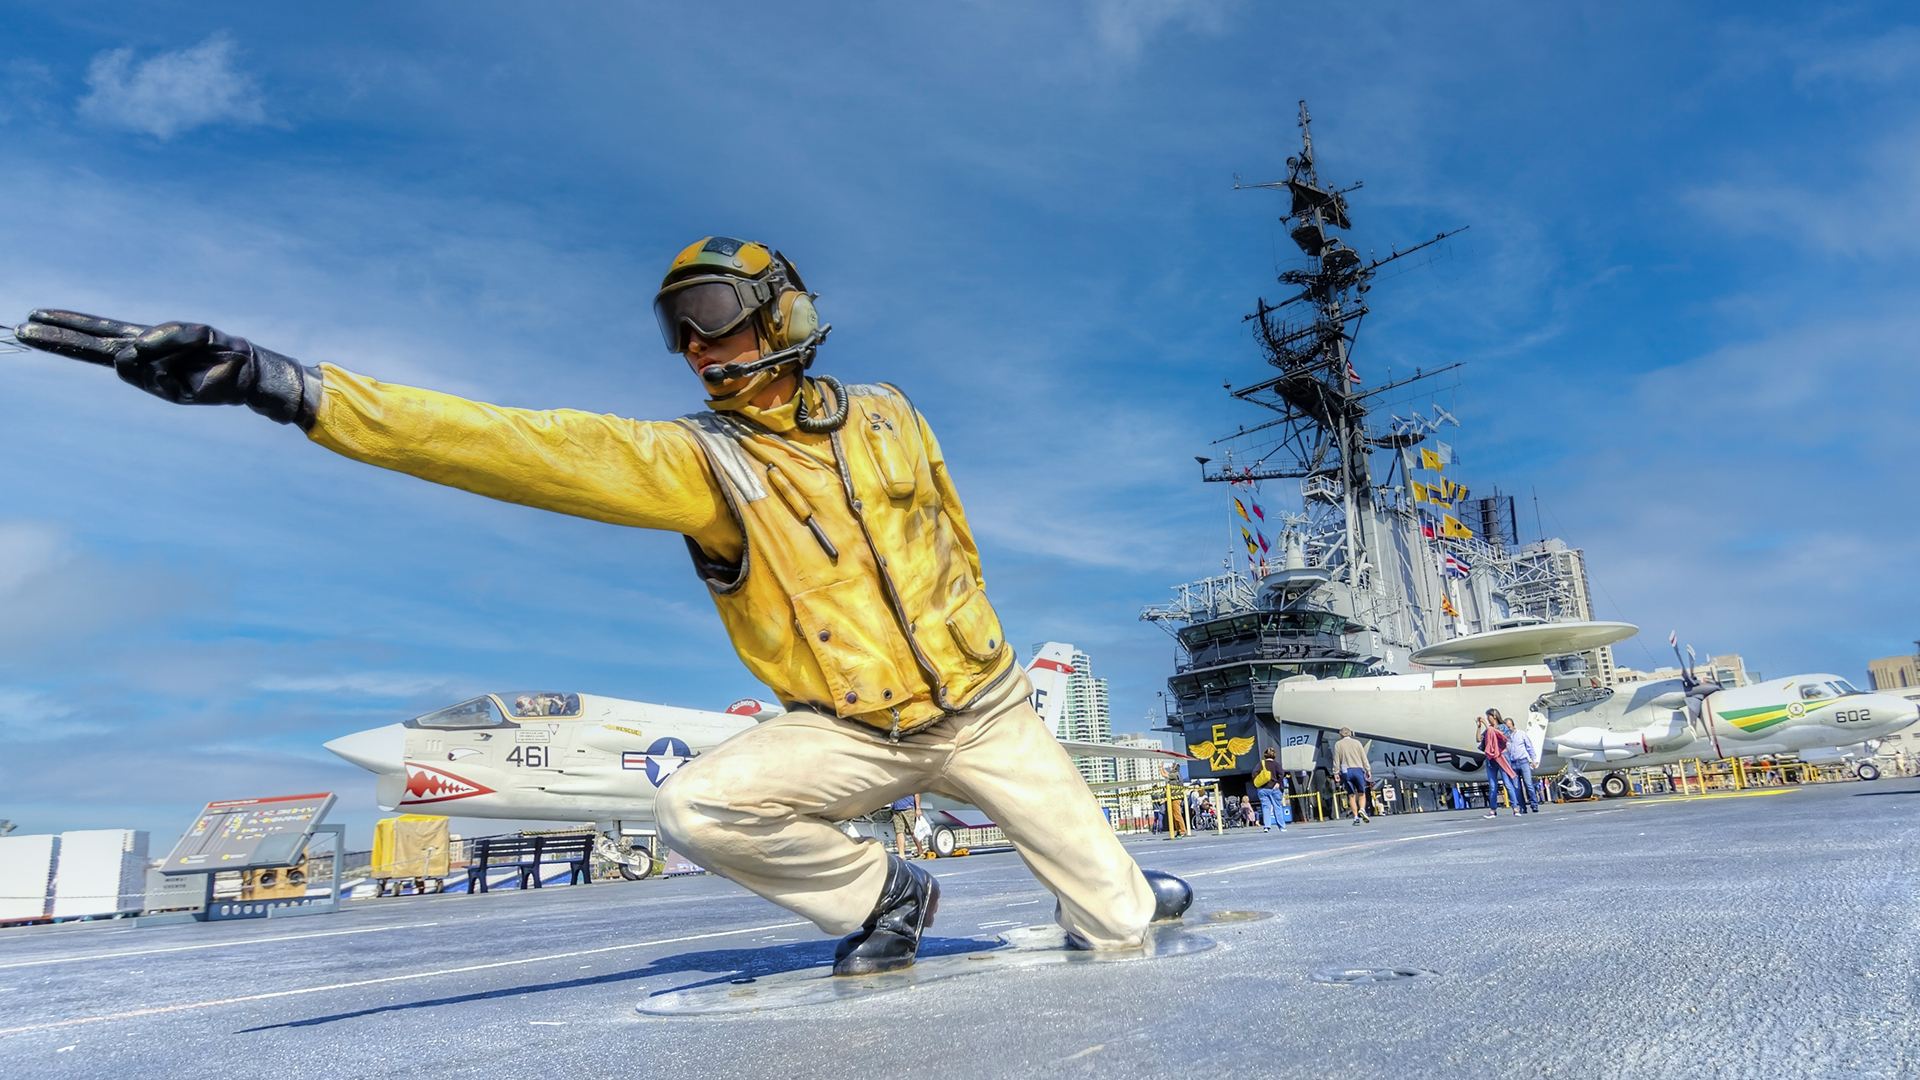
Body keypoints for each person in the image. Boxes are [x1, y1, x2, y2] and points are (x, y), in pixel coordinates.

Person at [14, 236, 1193, 976]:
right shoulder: (698, 463)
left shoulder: (892, 410)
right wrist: (286, 388)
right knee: (698, 806)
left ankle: (1123, 882)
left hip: (987, 710)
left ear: (780, 311)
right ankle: (883, 890)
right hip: (841, 728)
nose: (692, 345)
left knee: (1121, 933)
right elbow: (510, 445)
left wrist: (981, 660)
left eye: (716, 313)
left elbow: (955, 538)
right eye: (676, 327)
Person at [1477, 712, 1519, 818]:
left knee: (1507, 783)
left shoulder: (1503, 727)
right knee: (1492, 785)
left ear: (1494, 716)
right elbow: (1479, 739)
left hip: (1501, 756)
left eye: (1489, 717)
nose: (1488, 718)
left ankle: (1515, 807)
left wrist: (1486, 724)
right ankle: (1493, 809)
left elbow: (1499, 735)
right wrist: (1479, 727)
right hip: (1491, 758)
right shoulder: (1488, 729)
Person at [1496, 710, 1538, 815]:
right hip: (1512, 764)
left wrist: (1534, 759)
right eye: (1507, 727)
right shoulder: (1505, 738)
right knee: (1516, 787)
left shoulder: (1521, 734)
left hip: (1523, 761)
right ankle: (1522, 807)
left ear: (1513, 726)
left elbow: (1529, 747)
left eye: (1510, 727)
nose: (1508, 729)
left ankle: (1534, 804)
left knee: (1528, 784)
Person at [1331, 727, 1372, 824]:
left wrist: (1336, 772)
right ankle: (1362, 809)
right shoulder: (1357, 743)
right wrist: (1368, 770)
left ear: (1340, 735)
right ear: (1350, 734)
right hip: (1358, 769)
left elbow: (1336, 760)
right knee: (1361, 793)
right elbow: (1363, 757)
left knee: (1351, 795)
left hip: (1346, 771)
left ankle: (1355, 817)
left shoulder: (1338, 744)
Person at [1254, 747, 1287, 833]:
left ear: (1265, 755)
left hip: (1262, 789)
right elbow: (1281, 774)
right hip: (1274, 788)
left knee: (1265, 807)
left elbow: (1254, 773)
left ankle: (1266, 826)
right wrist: (1278, 783)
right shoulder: (1276, 764)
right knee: (1277, 807)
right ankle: (1281, 827)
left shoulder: (1261, 764)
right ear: (1274, 755)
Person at [889, 793, 924, 858]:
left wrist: (918, 808)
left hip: (908, 808)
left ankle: (920, 851)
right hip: (896, 809)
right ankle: (901, 855)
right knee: (899, 831)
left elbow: (916, 793)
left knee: (913, 831)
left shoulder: (909, 783)